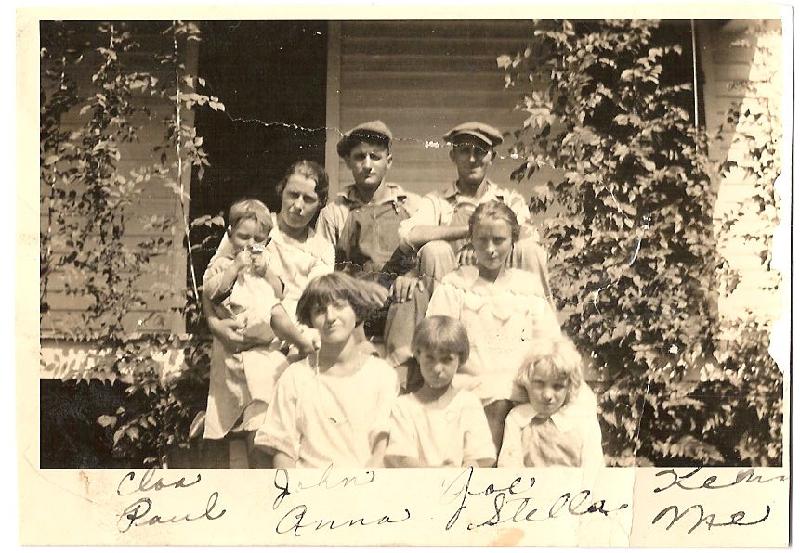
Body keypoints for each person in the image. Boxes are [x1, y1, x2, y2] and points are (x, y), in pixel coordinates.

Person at [426, 200, 561, 452]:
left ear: (513, 240)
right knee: (497, 397)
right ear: (471, 240)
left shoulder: (527, 286)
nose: (490, 249)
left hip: (523, 385)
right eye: (482, 240)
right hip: (470, 385)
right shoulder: (455, 285)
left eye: (498, 240)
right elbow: (437, 340)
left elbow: (548, 341)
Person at [254, 272, 399, 469]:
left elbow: (383, 451)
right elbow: (283, 452)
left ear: (356, 309)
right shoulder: (295, 377)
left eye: (339, 306)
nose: (330, 317)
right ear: (310, 320)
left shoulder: (382, 375)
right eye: (320, 311)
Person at [397, 121, 553, 302]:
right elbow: (409, 236)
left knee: (529, 250)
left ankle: (543, 325)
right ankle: (446, 325)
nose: (472, 159)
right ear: (453, 156)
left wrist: (483, 244)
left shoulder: (509, 200)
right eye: (464, 150)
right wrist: (471, 230)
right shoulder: (437, 201)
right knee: (435, 250)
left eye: (479, 151)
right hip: (452, 289)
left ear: (491, 157)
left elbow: (528, 235)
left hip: (501, 287)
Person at [202, 199, 310, 459]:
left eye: (258, 239)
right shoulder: (220, 264)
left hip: (263, 343)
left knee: (262, 416)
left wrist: (267, 274)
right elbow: (211, 291)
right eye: (243, 237)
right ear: (229, 234)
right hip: (237, 332)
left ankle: (300, 341)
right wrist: (234, 267)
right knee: (240, 415)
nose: (250, 245)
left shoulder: (265, 264)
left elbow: (281, 290)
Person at [316, 121, 422, 366]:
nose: (367, 165)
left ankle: (398, 364)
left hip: (399, 300)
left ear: (389, 161)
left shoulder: (411, 206)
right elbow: (324, 272)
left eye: (375, 157)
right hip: (355, 301)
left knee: (415, 291)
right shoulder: (335, 212)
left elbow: (426, 255)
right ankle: (362, 350)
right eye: (359, 157)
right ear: (349, 163)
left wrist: (413, 274)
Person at [384, 316, 496, 468]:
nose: (437, 368)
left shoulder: (468, 403)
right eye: (430, 358)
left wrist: (469, 466)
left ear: (461, 360)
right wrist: (436, 473)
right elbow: (401, 457)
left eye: (446, 360)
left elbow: (480, 455)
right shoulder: (403, 406)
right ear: (417, 355)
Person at [497, 335, 604, 473]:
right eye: (539, 384)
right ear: (526, 381)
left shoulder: (582, 420)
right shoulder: (518, 418)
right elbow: (508, 466)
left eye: (558, 386)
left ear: (569, 387)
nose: (547, 395)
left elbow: (594, 468)